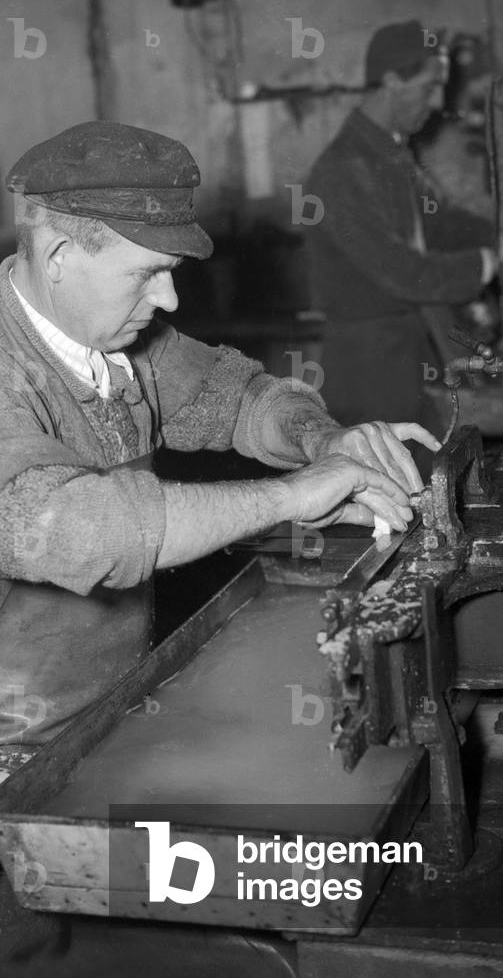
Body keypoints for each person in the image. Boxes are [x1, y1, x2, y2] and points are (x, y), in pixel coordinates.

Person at [0, 121, 441, 747]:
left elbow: (237, 399)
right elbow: (81, 528)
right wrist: (289, 497)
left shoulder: (119, 338)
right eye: (147, 273)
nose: (171, 299)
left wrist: (321, 442)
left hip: (111, 705)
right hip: (13, 746)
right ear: (59, 257)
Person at [306, 20, 498, 474]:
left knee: (426, 491)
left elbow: (444, 222)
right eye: (431, 87)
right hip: (373, 372)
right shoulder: (344, 170)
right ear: (392, 79)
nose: (437, 104)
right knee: (384, 500)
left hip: (411, 357)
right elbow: (402, 271)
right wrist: (487, 264)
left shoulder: (391, 156)